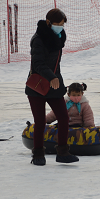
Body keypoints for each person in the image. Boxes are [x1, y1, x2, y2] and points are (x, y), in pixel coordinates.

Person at [26, 8, 78, 166]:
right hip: (38, 86)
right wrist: (51, 77)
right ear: (49, 23)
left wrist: (57, 80)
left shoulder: (59, 36)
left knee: (63, 117)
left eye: (62, 24)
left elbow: (55, 64)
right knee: (40, 121)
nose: (61, 27)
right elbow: (38, 63)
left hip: (54, 84)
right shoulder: (39, 39)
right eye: (58, 24)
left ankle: (62, 152)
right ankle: (38, 155)